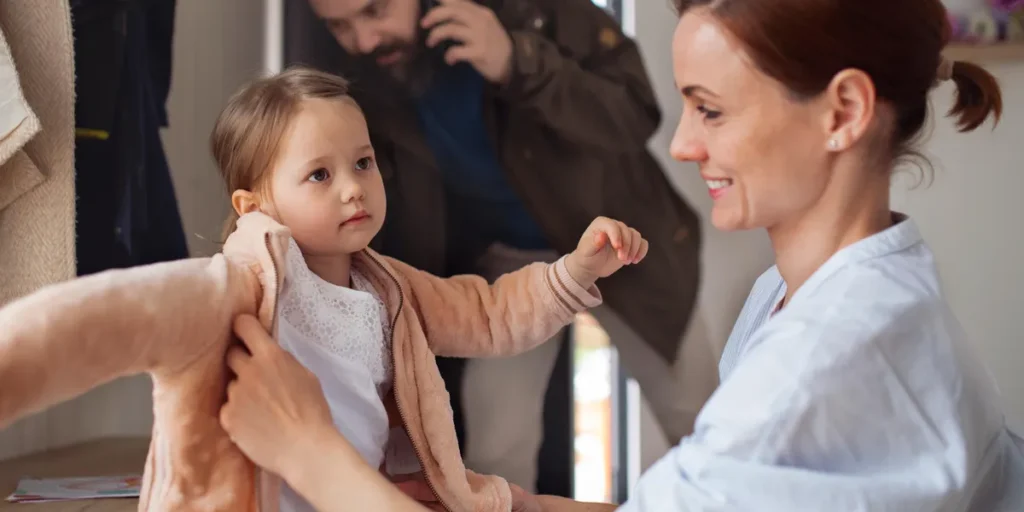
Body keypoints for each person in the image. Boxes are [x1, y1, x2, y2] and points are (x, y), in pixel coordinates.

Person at [219, 0, 1024, 510]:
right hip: (501, 264)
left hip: (592, 263)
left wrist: (313, 457)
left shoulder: (815, 369)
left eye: (709, 110)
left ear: (843, 111)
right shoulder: (825, 296)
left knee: (682, 406)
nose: (680, 144)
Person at [291, 0, 715, 491]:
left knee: (701, 421)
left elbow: (635, 112)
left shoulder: (533, 9)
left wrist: (519, 60)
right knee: (495, 454)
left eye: (376, 11)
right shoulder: (360, 80)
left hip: (621, 246)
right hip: (505, 267)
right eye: (340, 26)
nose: (364, 40)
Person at [210, 66, 649, 512]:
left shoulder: (390, 288)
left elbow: (490, 316)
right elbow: (170, 308)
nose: (353, 189)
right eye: (320, 175)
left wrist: (576, 269)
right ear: (254, 207)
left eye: (363, 163)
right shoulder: (245, 283)